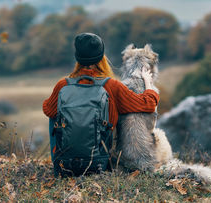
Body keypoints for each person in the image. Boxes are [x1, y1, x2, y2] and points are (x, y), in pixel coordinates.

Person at [42, 32, 159, 175]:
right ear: (102, 56)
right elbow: (148, 104)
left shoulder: (63, 85)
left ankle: (58, 159)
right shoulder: (112, 86)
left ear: (77, 57)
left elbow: (47, 109)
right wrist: (147, 81)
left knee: (54, 114)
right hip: (99, 164)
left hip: (65, 165)